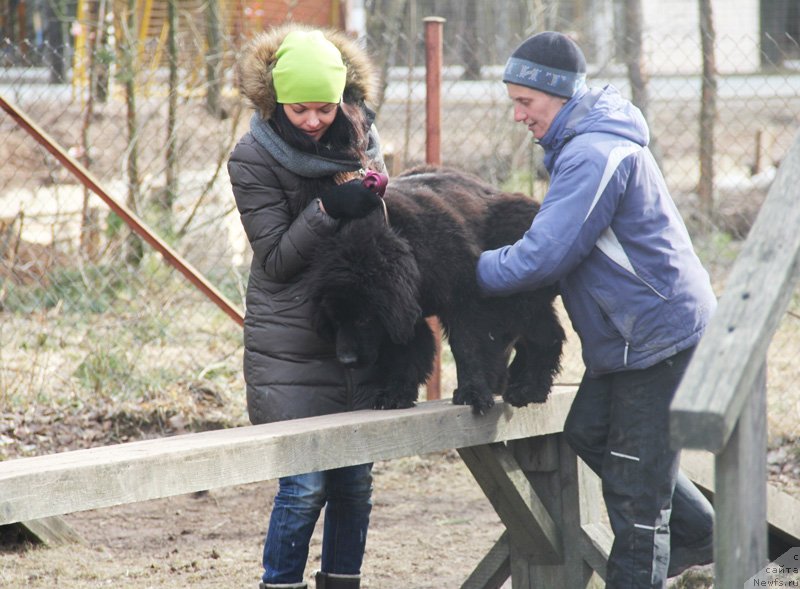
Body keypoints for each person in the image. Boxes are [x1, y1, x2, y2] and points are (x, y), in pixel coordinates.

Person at [475, 31, 716, 588]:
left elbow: (544, 255)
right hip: (627, 340)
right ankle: (701, 532)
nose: (518, 115)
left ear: (556, 95)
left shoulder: (593, 153)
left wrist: (466, 272)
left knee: (635, 498)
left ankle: (767, 567)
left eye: (524, 102)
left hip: (657, 337)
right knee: (588, 431)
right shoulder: (581, 144)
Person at [228, 25, 387, 589]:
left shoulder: (362, 138)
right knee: (303, 487)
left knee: (355, 482)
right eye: (300, 109)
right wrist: (328, 208)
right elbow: (273, 260)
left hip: (356, 335)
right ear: (277, 102)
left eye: (325, 107)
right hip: (291, 343)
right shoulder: (252, 156)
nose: (315, 120)